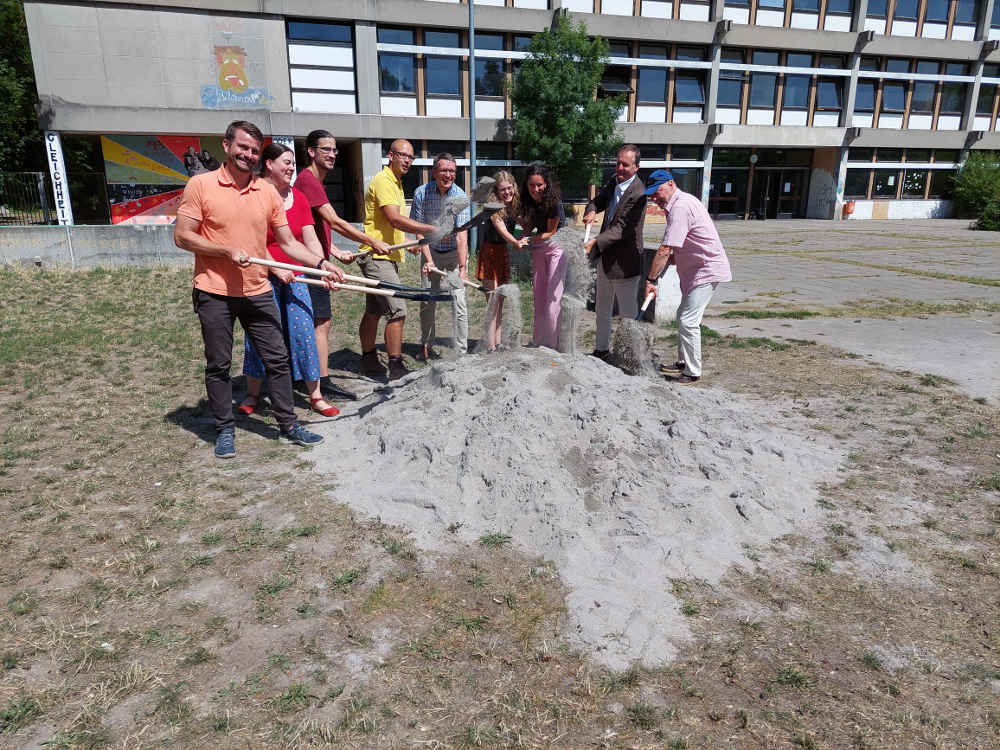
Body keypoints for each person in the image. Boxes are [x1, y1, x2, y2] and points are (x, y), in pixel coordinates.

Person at [173, 120, 345, 458]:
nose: (248, 155)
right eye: (242, 147)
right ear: (226, 146)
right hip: (214, 290)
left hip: (256, 288)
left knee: (278, 359)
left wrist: (321, 264)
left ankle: (288, 424)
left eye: (254, 150)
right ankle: (224, 429)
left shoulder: (266, 191)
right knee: (219, 364)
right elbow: (182, 235)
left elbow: (288, 243)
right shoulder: (201, 185)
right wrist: (224, 250)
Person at [237, 143, 342, 420]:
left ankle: (315, 395)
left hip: (296, 274)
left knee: (303, 330)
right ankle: (253, 393)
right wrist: (273, 270)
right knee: (261, 333)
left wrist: (322, 269)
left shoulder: (298, 197)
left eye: (293, 163)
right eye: (286, 162)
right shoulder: (253, 194)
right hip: (262, 274)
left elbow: (309, 240)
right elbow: (249, 241)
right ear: (269, 164)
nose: (291, 167)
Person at [294, 130, 389, 398]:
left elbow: (313, 224)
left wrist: (334, 250)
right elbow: (334, 221)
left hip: (318, 259)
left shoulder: (313, 182)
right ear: (311, 151)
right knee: (320, 323)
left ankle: (308, 378)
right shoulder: (308, 180)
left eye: (335, 150)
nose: (333, 154)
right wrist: (371, 240)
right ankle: (321, 382)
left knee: (316, 322)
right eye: (326, 149)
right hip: (309, 264)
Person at [357, 139, 440, 380]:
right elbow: (394, 218)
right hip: (376, 257)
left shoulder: (396, 183)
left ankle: (368, 359)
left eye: (410, 158)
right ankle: (395, 365)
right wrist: (428, 228)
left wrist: (407, 245)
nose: (407, 161)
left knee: (373, 310)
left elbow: (390, 224)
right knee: (398, 310)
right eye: (403, 155)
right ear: (390, 156)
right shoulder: (384, 181)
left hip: (386, 254)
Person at [644, 169, 732, 384]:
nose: (655, 197)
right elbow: (676, 246)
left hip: (706, 269)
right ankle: (683, 362)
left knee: (688, 320)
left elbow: (665, 249)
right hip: (694, 270)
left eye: (657, 191)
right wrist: (675, 258)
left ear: (671, 184)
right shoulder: (676, 204)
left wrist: (651, 280)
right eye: (651, 194)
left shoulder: (680, 206)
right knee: (684, 314)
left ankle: (692, 372)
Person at [582, 145, 647, 362]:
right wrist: (591, 210)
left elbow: (621, 228)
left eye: (625, 165)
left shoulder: (639, 193)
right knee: (602, 308)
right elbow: (598, 201)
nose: (619, 168)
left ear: (636, 167)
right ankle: (602, 349)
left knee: (628, 315)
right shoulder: (614, 180)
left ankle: (632, 356)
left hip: (626, 262)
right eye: (618, 163)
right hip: (605, 259)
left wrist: (594, 243)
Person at [411, 152, 471, 359]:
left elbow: (462, 235)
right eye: (444, 170)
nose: (448, 175)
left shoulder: (460, 197)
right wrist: (428, 260)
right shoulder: (421, 193)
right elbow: (419, 230)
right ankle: (426, 347)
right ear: (434, 172)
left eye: (452, 171)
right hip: (431, 251)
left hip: (454, 254)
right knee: (428, 301)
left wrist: (462, 269)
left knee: (459, 301)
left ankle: (461, 352)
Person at [477, 170, 529, 352]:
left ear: (514, 187)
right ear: (496, 192)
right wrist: (516, 242)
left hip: (502, 253)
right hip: (489, 253)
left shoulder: (513, 206)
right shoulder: (493, 206)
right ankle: (491, 347)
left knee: (500, 301)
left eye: (509, 188)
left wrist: (529, 233)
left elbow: (526, 223)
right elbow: (502, 230)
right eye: (502, 190)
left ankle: (497, 344)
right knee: (492, 302)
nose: (507, 193)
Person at [518, 164, 565, 349]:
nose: (535, 189)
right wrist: (522, 236)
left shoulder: (554, 201)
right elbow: (529, 226)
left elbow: (551, 232)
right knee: (539, 295)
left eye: (539, 185)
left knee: (553, 296)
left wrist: (528, 239)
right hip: (539, 245)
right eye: (531, 185)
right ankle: (539, 341)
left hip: (556, 246)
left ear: (546, 184)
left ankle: (553, 344)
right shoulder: (527, 200)